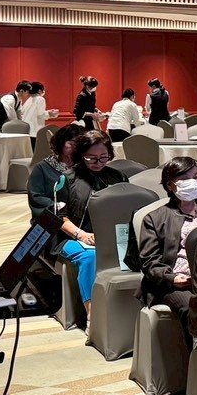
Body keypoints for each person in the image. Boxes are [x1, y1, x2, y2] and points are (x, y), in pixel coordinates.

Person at [135, 157, 197, 346]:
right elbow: (149, 262)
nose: (192, 182)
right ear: (170, 185)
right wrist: (172, 278)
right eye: (184, 178)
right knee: (194, 309)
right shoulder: (155, 218)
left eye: (196, 177)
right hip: (175, 284)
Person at [52, 130, 126, 308]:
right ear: (80, 155)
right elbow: (60, 217)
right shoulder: (67, 179)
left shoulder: (118, 177)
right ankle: (92, 314)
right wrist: (82, 235)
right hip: (72, 238)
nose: (98, 163)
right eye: (91, 158)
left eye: (103, 157)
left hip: (112, 238)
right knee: (90, 257)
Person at [27, 124, 81, 219]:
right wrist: (59, 206)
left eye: (79, 144)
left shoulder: (84, 166)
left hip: (80, 217)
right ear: (60, 143)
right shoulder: (42, 167)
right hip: (53, 218)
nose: (76, 147)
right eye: (72, 143)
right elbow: (35, 197)